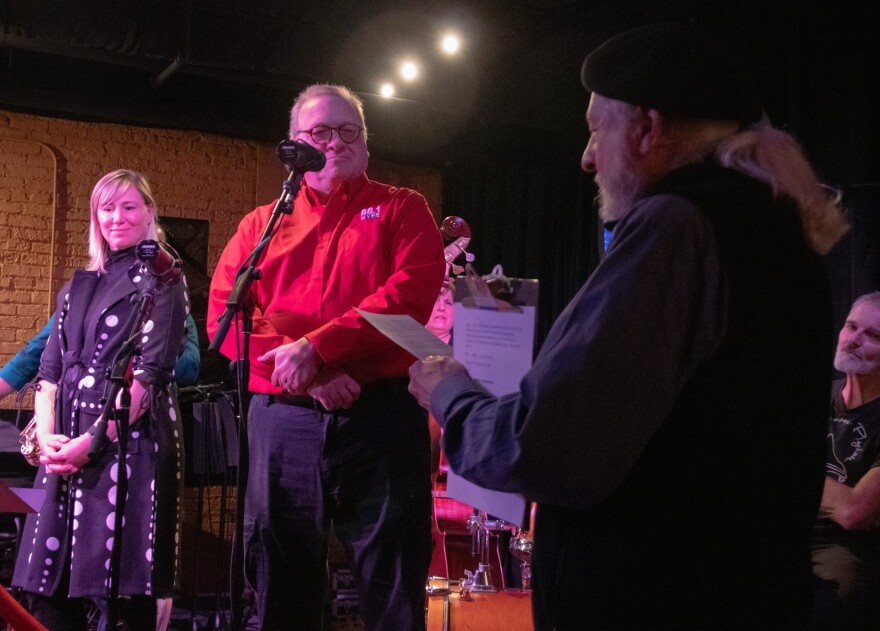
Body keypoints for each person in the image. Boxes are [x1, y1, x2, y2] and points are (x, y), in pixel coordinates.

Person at [409, 22, 849, 629]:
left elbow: (546, 444)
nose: (587, 157)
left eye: (595, 131)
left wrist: (451, 394)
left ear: (648, 129)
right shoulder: (773, 225)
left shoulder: (678, 224)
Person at [207, 84, 444, 630]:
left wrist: (318, 348)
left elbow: (408, 297)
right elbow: (228, 318)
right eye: (319, 132)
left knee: (392, 587)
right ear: (294, 144)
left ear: (365, 141)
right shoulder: (258, 226)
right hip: (285, 421)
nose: (334, 142)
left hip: (380, 419)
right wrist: (308, 378)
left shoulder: (402, 208)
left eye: (348, 130)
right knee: (279, 582)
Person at [11, 169, 189, 631]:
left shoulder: (165, 280)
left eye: (129, 207)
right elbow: (48, 374)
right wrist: (49, 440)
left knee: (120, 593)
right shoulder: (77, 286)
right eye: (106, 208)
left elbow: (149, 378)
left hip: (128, 446)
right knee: (46, 588)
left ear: (149, 213)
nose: (117, 217)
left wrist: (93, 441)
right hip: (64, 451)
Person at [812, 292, 880, 630]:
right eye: (851, 327)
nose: (854, 340)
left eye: (873, 335)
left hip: (843, 549)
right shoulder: (812, 394)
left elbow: (855, 512)